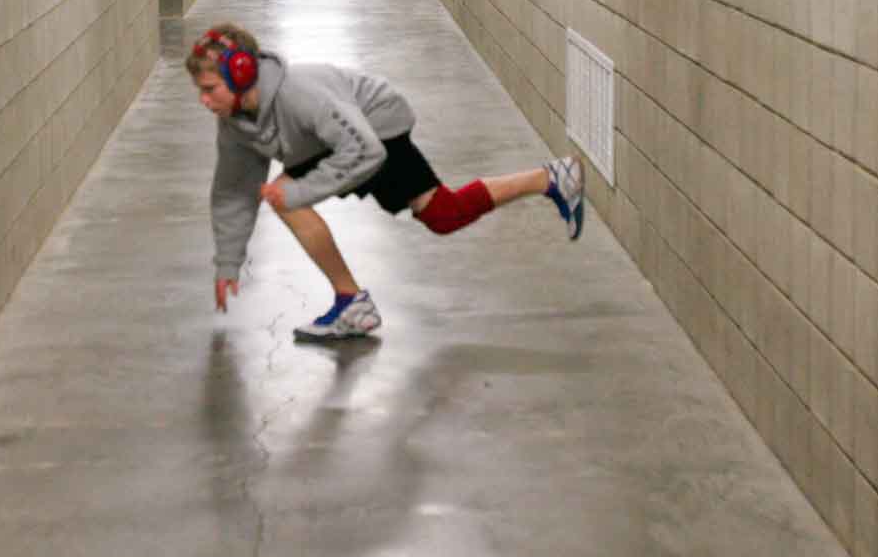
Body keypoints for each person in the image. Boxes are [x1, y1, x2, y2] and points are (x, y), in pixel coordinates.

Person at [189, 23, 586, 342]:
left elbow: (365, 151)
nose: (204, 101)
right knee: (443, 215)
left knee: (286, 199)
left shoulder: (301, 95)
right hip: (342, 143)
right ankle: (551, 178)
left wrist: (298, 190)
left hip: (378, 125)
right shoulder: (235, 125)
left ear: (241, 74)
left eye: (210, 89)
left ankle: (351, 304)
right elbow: (232, 191)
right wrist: (228, 262)